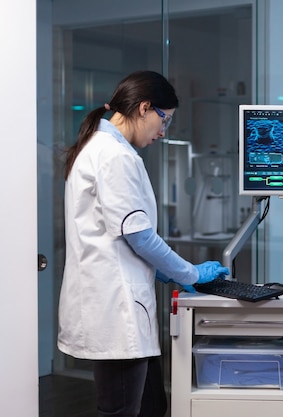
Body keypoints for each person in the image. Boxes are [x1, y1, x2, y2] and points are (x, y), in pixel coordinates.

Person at [58, 70, 230, 417]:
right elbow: (138, 236)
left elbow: (120, 234)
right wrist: (190, 272)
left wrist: (165, 271)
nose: (163, 132)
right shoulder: (115, 155)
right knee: (122, 409)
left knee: (150, 404)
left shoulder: (99, 147)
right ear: (144, 108)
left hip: (118, 304)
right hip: (117, 310)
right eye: (163, 120)